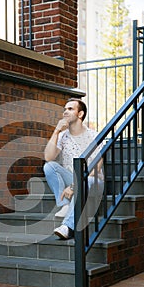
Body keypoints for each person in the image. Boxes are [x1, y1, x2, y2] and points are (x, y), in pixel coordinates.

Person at [43, 98, 103, 240]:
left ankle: (67, 227)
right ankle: (64, 204)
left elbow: (95, 168)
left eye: (70, 109)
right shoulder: (63, 136)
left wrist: (73, 186)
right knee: (49, 166)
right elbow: (48, 157)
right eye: (65, 109)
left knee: (85, 181)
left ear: (80, 114)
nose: (65, 112)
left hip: (92, 181)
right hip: (72, 178)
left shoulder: (93, 136)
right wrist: (57, 131)